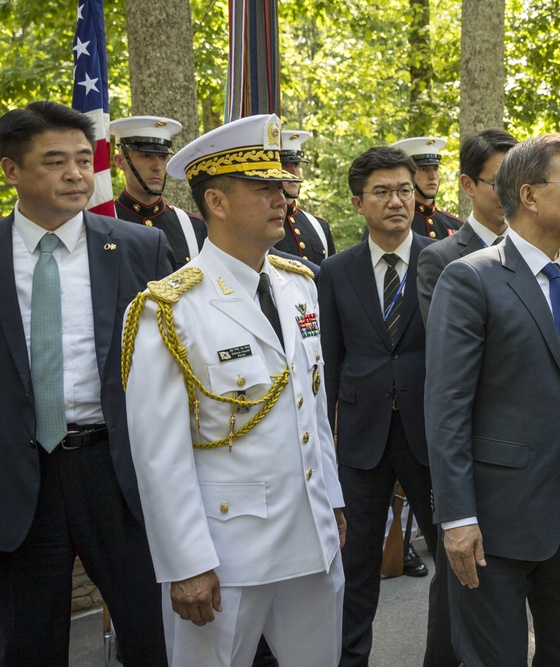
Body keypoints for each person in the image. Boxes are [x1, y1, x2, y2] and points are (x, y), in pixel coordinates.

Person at [123, 114, 347, 667]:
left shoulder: (299, 286)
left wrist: (334, 503)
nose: (283, 198)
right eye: (263, 187)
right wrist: (186, 563)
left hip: (311, 533)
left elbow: (313, 406)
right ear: (216, 203)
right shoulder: (168, 310)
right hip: (226, 553)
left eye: (283, 185)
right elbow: (159, 455)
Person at [425, 133, 560, 666]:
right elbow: (447, 408)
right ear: (531, 196)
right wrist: (456, 519)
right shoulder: (470, 279)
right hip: (495, 524)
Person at [0, 101, 171, 665]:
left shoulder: (138, 249)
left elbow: (174, 366)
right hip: (20, 478)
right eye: (55, 162)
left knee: (152, 637)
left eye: (82, 159)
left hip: (115, 471)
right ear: (11, 171)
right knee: (28, 643)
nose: (76, 174)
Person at [317, 145, 446, 667]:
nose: (397, 200)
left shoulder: (447, 261)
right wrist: (325, 449)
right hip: (361, 439)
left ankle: (451, 656)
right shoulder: (334, 271)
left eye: (405, 189)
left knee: (455, 556)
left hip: (430, 435)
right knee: (355, 567)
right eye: (382, 192)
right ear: (357, 203)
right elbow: (327, 363)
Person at [416, 128, 517, 323]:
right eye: (497, 183)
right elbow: (446, 342)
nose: (509, 193)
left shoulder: (534, 249)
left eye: (515, 181)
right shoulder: (441, 259)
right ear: (468, 185)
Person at [111, 115, 207, 268]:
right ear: (120, 162)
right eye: (146, 156)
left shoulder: (192, 226)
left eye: (162, 157)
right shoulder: (105, 220)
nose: (157, 166)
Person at [272, 129, 337, 261]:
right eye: (285, 165)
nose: (294, 172)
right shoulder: (261, 225)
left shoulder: (319, 226)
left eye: (296, 165)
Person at [391, 136, 462, 239]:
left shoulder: (456, 226)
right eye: (423, 169)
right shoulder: (393, 225)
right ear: (407, 175)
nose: (432, 176)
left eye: (435, 168)